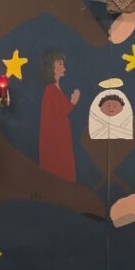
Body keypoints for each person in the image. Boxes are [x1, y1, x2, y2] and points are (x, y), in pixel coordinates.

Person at [38, 52, 80, 181]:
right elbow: (57, 113)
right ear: (52, 67)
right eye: (60, 64)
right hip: (55, 140)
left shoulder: (55, 88)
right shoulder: (50, 90)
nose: (64, 67)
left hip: (61, 138)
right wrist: (73, 102)